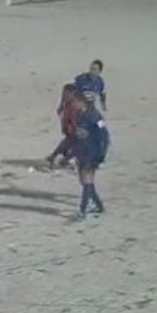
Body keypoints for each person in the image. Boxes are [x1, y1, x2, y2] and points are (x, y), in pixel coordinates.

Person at [70, 91, 111, 222]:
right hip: (82, 152)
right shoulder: (80, 115)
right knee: (84, 181)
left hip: (92, 153)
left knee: (87, 180)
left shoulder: (95, 117)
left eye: (75, 102)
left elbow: (105, 136)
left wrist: (102, 155)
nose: (73, 104)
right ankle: (99, 205)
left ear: (82, 102)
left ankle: (83, 210)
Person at [46, 82, 78, 168]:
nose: (64, 96)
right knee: (66, 144)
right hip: (68, 129)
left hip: (75, 131)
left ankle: (61, 158)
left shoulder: (75, 105)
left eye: (67, 94)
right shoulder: (66, 103)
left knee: (70, 145)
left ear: (73, 94)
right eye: (63, 94)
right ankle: (57, 157)